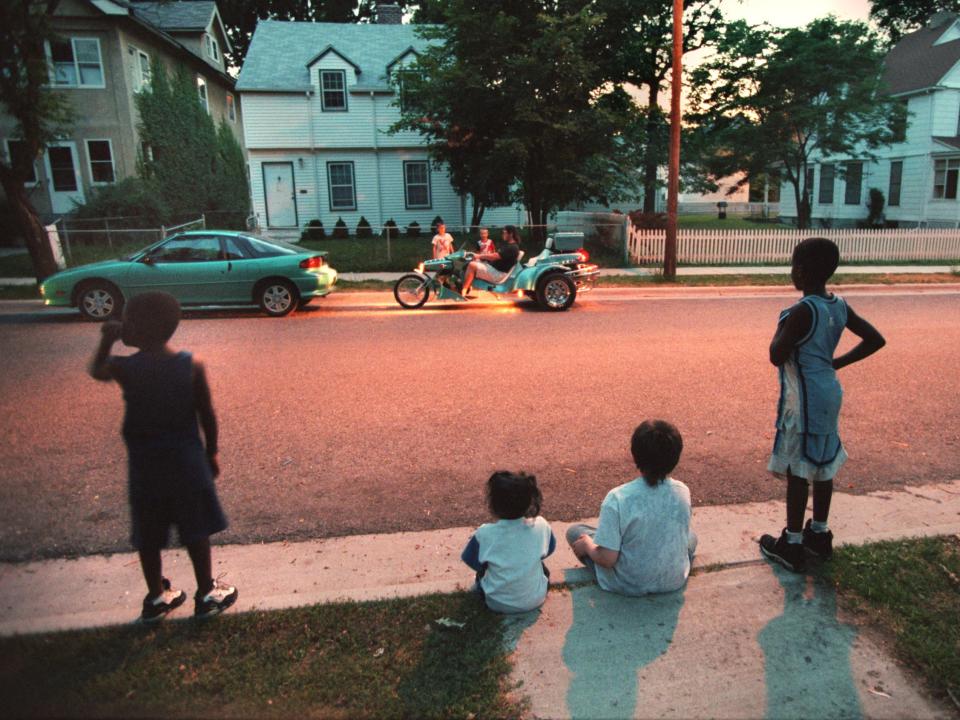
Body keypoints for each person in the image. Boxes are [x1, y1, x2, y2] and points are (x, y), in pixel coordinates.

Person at [90, 291, 239, 622]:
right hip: (188, 463)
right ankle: (206, 592)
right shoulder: (191, 365)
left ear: (136, 330)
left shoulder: (126, 367)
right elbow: (207, 414)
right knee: (196, 529)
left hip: (146, 468)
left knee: (149, 533)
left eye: (128, 320)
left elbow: (97, 370)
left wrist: (107, 340)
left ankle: (157, 596)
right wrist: (212, 452)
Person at [759, 237, 885, 573]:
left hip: (804, 400)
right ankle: (820, 532)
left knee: (799, 470)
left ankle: (793, 543)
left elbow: (776, 355)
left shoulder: (802, 311)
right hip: (829, 392)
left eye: (793, 265)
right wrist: (835, 363)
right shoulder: (839, 305)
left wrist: (782, 325)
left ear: (799, 271)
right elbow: (875, 339)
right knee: (824, 465)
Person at [567, 420, 696, 596]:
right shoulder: (683, 491)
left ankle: (605, 541)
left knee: (576, 532)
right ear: (676, 457)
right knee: (691, 537)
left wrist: (588, 545)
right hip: (673, 581)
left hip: (626, 584)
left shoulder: (617, 498)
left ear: (635, 454)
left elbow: (607, 559)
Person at [461, 471, 556, 613]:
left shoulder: (485, 533)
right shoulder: (541, 525)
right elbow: (549, 549)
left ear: (493, 506)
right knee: (540, 565)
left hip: (496, 603)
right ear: (529, 502)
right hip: (536, 599)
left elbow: (471, 561)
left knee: (482, 574)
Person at [460, 225, 522, 297]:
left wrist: (479, 256)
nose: (503, 234)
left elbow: (495, 256)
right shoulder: (509, 245)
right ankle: (469, 288)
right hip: (495, 270)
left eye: (504, 233)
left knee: (472, 265)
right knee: (473, 262)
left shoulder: (512, 247)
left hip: (498, 274)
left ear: (510, 234)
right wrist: (481, 257)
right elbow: (496, 254)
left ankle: (463, 292)